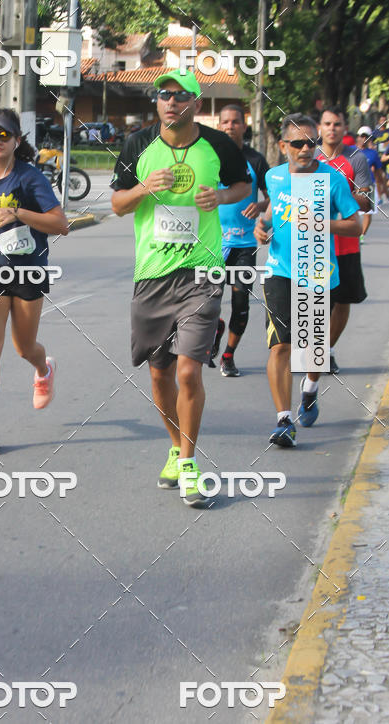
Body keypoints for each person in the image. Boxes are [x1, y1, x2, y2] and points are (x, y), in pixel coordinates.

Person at [111, 70, 250, 506]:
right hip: (152, 274)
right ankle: (176, 445)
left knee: (189, 370)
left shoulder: (217, 145)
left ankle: (189, 464)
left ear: (195, 101)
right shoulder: (138, 145)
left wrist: (221, 198)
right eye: (164, 95)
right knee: (159, 374)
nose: (170, 102)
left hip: (202, 272)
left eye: (179, 95)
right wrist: (142, 189)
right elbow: (116, 204)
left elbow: (244, 185)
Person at [254, 114, 361, 448]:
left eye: (311, 143)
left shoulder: (333, 179)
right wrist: (263, 226)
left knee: (312, 352)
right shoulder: (274, 176)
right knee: (282, 344)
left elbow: (355, 224)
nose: (305, 149)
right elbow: (272, 212)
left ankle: (310, 390)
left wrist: (323, 225)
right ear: (284, 145)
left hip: (317, 270)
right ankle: (284, 420)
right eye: (298, 143)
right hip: (279, 271)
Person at [0, 108, 69, 451]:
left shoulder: (30, 178)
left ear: (16, 141)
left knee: (23, 347)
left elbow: (60, 224)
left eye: (4, 135)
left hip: (28, 268)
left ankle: (43, 369)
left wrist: (18, 213)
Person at [316, 107, 372, 375]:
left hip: (346, 242)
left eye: (337, 124)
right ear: (320, 127)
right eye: (327, 124)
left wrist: (339, 196)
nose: (332, 129)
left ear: (344, 128)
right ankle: (314, 353)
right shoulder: (309, 155)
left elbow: (366, 198)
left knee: (343, 301)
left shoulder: (356, 158)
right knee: (317, 300)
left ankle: (327, 349)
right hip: (314, 243)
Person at [214, 104, 269, 377]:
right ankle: (215, 327)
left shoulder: (256, 160)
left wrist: (261, 208)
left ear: (243, 126)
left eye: (235, 122)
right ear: (219, 124)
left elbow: (274, 198)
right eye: (225, 122)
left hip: (245, 244)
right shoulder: (209, 157)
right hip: (211, 243)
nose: (230, 126)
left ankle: (228, 355)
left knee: (241, 303)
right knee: (205, 302)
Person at [355, 127, 385, 237]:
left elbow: (378, 172)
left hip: (369, 185)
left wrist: (382, 188)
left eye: (366, 137)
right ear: (357, 137)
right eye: (361, 136)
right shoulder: (351, 151)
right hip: (354, 185)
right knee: (354, 212)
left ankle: (362, 234)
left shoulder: (373, 153)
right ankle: (355, 232)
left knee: (368, 213)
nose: (363, 139)